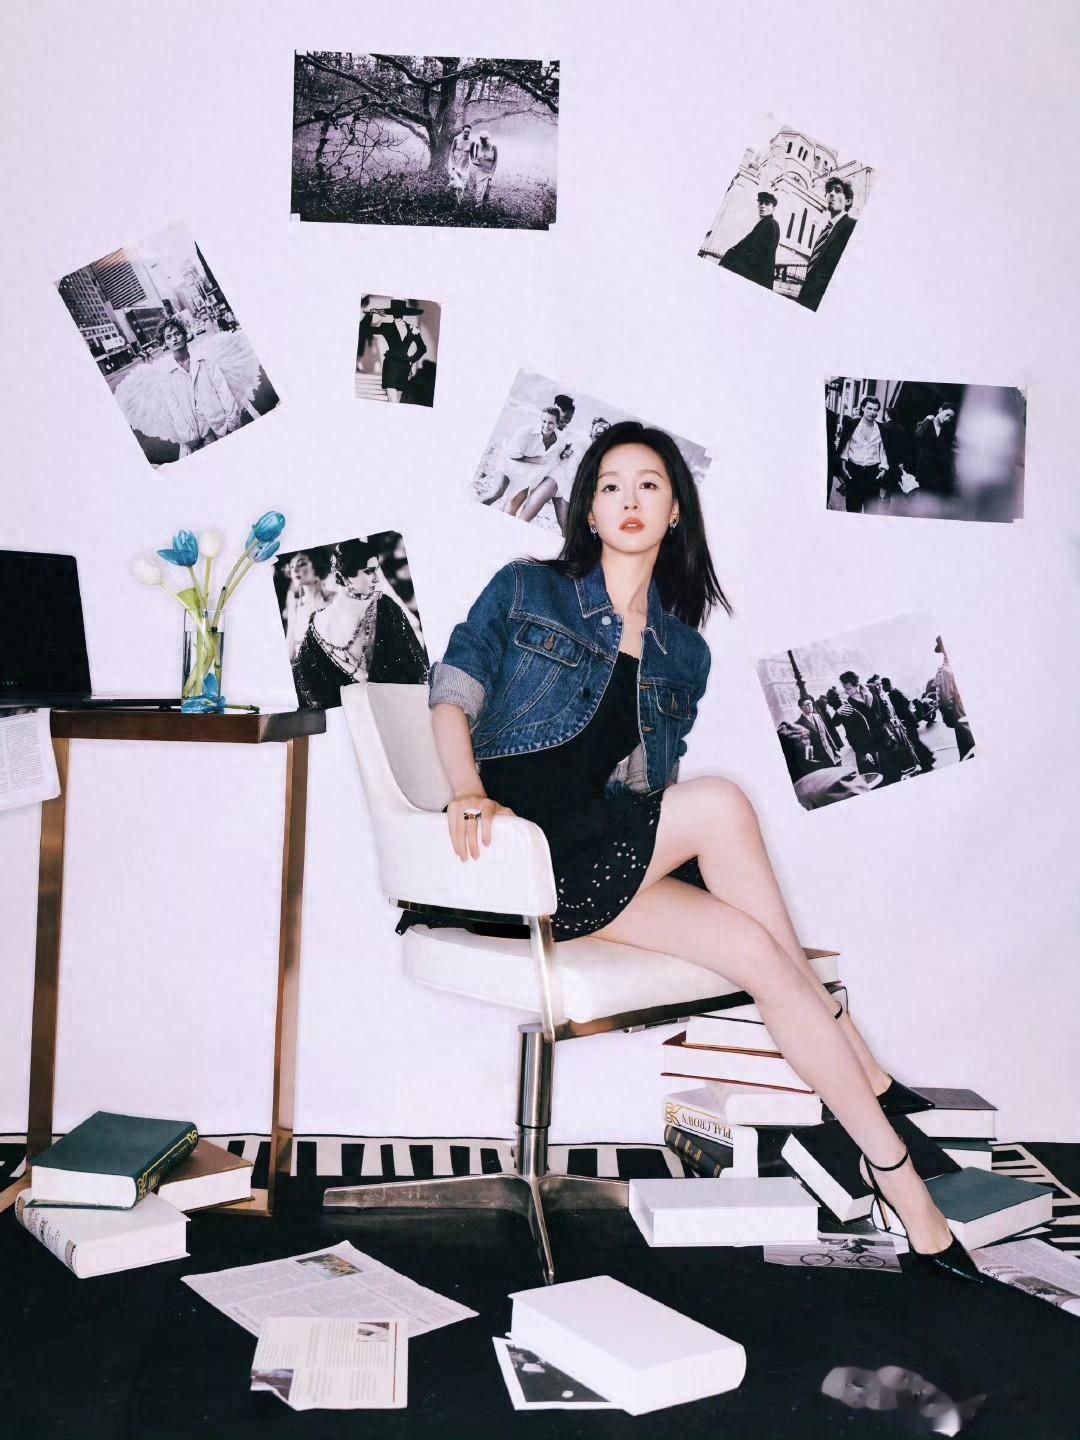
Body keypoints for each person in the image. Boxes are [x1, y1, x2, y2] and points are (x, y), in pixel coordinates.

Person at [429, 419, 983, 1281]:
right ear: (587, 510)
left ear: (676, 510)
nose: (629, 500)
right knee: (722, 805)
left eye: (649, 484)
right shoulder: (527, 587)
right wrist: (468, 789)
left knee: (756, 950)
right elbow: (451, 691)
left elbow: (645, 792)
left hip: (593, 860)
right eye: (611, 485)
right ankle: (862, 1060)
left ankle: (902, 1186)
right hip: (509, 857)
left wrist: (693, 868)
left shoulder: (683, 649)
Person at [292, 540, 427, 709]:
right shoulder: (383, 606)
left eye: (376, 571)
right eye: (369, 571)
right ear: (344, 575)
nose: (376, 579)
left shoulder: (383, 606)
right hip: (371, 712)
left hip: (382, 709)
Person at [150, 316, 242, 455]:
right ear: (165, 343)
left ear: (184, 335)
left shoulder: (204, 358)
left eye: (177, 334)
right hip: (198, 434)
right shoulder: (166, 373)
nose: (174, 339)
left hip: (222, 423)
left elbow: (222, 388)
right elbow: (174, 407)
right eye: (169, 337)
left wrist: (232, 421)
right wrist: (189, 436)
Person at [516, 396, 591, 533]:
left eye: (570, 419)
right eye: (565, 417)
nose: (566, 421)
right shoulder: (542, 427)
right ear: (556, 409)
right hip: (534, 474)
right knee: (520, 510)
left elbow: (562, 456)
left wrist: (565, 454)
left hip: (554, 478)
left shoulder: (567, 434)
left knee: (565, 524)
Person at [483, 405, 562, 509]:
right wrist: (533, 460)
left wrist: (565, 453)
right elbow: (511, 454)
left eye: (551, 423)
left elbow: (559, 456)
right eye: (544, 421)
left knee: (511, 510)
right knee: (497, 493)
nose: (546, 425)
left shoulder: (560, 440)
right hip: (509, 467)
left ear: (557, 424)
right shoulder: (526, 432)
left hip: (526, 478)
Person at [797, 177, 857, 312]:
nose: (831, 194)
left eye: (837, 191)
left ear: (848, 201)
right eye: (829, 191)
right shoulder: (826, 230)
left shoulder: (852, 226)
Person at [833, 396, 891, 513]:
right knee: (852, 509)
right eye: (869, 408)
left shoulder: (882, 429)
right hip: (854, 472)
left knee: (871, 511)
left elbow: (883, 451)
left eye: (875, 410)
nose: (872, 412)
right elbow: (845, 448)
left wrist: (884, 470)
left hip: (873, 473)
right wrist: (843, 468)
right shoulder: (852, 424)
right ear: (863, 408)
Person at [368, 301, 427, 402]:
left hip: (405, 367)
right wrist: (375, 312)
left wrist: (411, 360)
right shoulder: (386, 326)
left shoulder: (412, 328)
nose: (397, 313)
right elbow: (368, 330)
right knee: (392, 401)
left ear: (404, 312)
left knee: (397, 402)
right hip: (390, 365)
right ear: (392, 313)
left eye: (399, 311)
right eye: (395, 311)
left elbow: (422, 348)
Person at [719, 191, 780, 289]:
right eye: (761, 203)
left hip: (755, 278)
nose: (762, 206)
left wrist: (734, 263)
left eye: (767, 204)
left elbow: (761, 256)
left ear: (773, 208)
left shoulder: (770, 224)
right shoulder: (763, 223)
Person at [282, 552, 335, 662]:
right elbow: (290, 644)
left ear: (316, 565)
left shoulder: (335, 599)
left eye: (301, 564)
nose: (295, 570)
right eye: (291, 567)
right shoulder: (295, 605)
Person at [880, 677, 935, 772]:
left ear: (886, 685)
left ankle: (927, 764)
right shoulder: (895, 691)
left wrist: (901, 718)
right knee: (916, 742)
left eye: (882, 686)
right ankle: (929, 757)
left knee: (914, 743)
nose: (882, 688)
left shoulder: (893, 694)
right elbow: (906, 703)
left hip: (908, 722)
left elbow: (900, 709)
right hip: (910, 720)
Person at [933, 637, 975, 761]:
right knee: (970, 751)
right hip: (963, 716)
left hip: (964, 714)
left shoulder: (954, 666)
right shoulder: (946, 670)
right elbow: (947, 700)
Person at [914, 404, 957, 495]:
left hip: (936, 473)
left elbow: (945, 452)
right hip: (923, 470)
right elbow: (918, 435)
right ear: (940, 410)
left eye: (950, 418)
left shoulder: (946, 431)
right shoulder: (927, 424)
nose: (947, 419)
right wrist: (926, 420)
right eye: (947, 415)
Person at [796, 695, 841, 766]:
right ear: (801, 708)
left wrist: (834, 749)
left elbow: (826, 734)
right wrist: (811, 761)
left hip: (829, 751)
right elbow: (806, 744)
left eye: (810, 703)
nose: (810, 706)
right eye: (807, 704)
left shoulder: (817, 716)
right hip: (818, 756)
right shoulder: (800, 723)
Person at [470, 131, 498, 208]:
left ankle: (485, 207)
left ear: (488, 139)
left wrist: (491, 174)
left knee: (486, 193)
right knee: (479, 191)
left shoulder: (493, 147)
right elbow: (475, 157)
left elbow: (495, 161)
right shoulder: (478, 145)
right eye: (481, 140)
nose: (483, 142)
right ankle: (478, 207)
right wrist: (473, 161)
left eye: (484, 140)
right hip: (480, 171)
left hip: (489, 172)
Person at [447, 123, 473, 205]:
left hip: (464, 166)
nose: (467, 133)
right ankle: (447, 196)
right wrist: (453, 164)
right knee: (456, 184)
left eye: (468, 132)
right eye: (465, 131)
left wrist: (476, 161)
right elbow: (451, 151)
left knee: (461, 186)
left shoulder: (471, 142)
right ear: (462, 131)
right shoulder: (456, 139)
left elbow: (472, 155)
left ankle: (458, 204)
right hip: (454, 163)